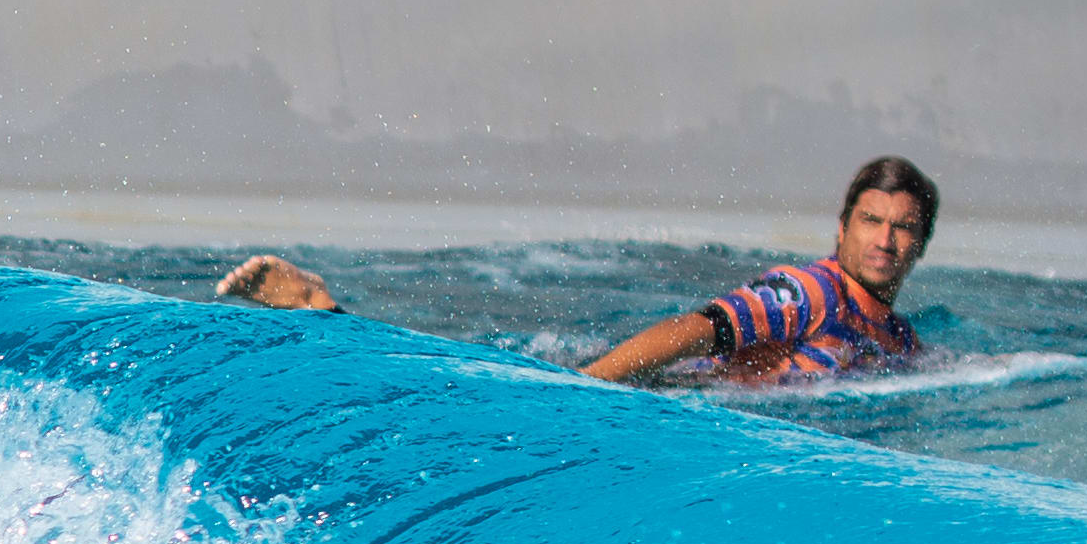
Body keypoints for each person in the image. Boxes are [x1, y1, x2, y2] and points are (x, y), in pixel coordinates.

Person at [214, 156, 943, 386]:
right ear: (842, 227)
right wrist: (590, 389)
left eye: (903, 228)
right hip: (662, 399)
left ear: (922, 244)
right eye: (871, 222)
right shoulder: (811, 290)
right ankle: (324, 314)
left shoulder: (899, 339)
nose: (884, 240)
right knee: (467, 391)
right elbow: (700, 328)